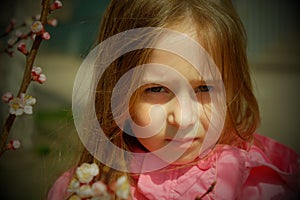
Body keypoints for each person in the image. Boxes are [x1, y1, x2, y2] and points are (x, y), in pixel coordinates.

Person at [47, 0, 299, 199]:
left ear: (233, 86)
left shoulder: (267, 184)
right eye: (156, 89)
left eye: (204, 88)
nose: (183, 118)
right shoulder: (83, 191)